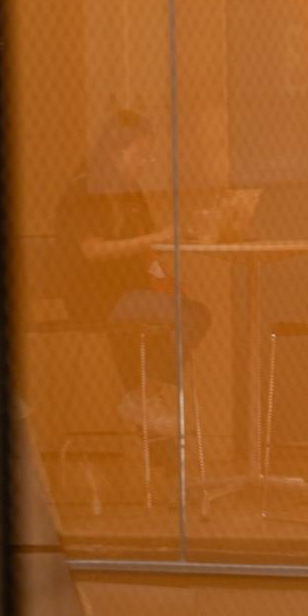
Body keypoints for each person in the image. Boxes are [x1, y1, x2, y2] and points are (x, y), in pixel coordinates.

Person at [54, 110, 212, 434]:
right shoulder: (84, 190)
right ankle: (143, 396)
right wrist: (156, 238)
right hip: (96, 298)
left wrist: (166, 274)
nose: (146, 162)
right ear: (115, 152)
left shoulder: (131, 191)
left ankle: (142, 396)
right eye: (141, 153)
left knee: (190, 313)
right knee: (192, 317)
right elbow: (93, 250)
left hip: (130, 293)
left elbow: (147, 248)